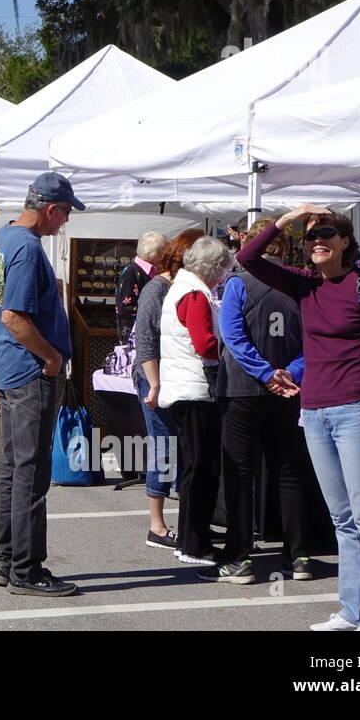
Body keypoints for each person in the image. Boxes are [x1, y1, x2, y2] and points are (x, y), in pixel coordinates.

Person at [239, 205, 360, 631]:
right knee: (342, 520)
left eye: (326, 233)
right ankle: (351, 612)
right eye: (310, 236)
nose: (317, 241)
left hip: (354, 413)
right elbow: (248, 258)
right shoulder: (304, 285)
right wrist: (289, 217)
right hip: (313, 414)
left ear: (346, 241)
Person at [205, 219, 326, 586]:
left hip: (245, 389)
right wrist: (289, 372)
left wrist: (266, 373)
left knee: (241, 475)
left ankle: (239, 558)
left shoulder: (240, 283)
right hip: (286, 390)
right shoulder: (302, 286)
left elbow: (232, 336)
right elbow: (314, 341)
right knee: (288, 471)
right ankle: (299, 555)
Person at [0, 174, 83, 598]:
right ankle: (26, 568)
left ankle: (10, 561)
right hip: (28, 371)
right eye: (64, 214)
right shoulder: (25, 247)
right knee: (30, 472)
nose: (64, 224)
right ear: (51, 209)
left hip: (7, 367)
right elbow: (12, 316)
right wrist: (52, 356)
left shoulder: (4, 238)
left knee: (13, 468)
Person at [158, 236, 235, 566]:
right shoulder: (194, 293)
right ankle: (194, 543)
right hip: (195, 389)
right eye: (223, 270)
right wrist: (227, 349)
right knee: (201, 469)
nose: (223, 277)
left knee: (194, 466)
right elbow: (204, 343)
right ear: (215, 268)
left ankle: (191, 539)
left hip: (182, 386)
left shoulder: (182, 287)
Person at [133, 230, 193, 552]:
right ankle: (157, 526)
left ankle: (181, 524)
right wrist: (154, 384)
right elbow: (144, 341)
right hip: (154, 376)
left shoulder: (178, 287)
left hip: (171, 376)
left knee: (176, 446)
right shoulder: (156, 289)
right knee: (163, 446)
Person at [116, 231, 160, 343]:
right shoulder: (131, 272)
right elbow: (125, 308)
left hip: (147, 336)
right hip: (135, 339)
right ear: (153, 252)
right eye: (163, 252)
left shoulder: (151, 272)